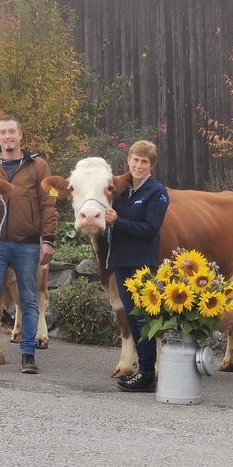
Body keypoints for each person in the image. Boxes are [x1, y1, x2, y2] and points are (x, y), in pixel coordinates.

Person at [0, 115, 58, 374]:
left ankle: (28, 355)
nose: (8, 136)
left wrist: (47, 239)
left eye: (12, 132)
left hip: (27, 244)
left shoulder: (38, 166)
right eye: (3, 132)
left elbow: (48, 205)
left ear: (20, 136)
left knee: (28, 299)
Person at [106, 140, 169, 392]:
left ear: (151, 165)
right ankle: (144, 371)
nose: (139, 165)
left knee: (144, 318)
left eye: (144, 161)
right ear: (128, 161)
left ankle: (146, 374)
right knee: (132, 318)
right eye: (135, 160)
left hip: (141, 265)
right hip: (121, 261)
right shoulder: (121, 191)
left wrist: (118, 222)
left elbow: (151, 229)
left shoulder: (157, 192)